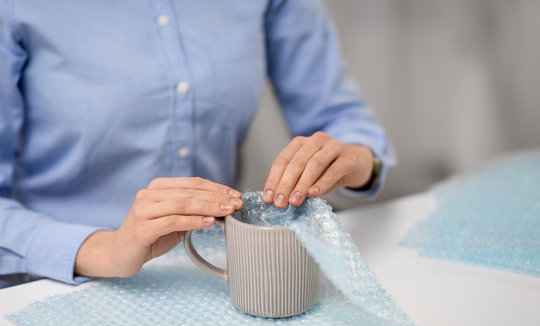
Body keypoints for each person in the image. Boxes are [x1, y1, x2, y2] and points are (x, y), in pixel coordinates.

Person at [0, 0, 394, 285]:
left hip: (216, 279)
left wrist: (357, 160)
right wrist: (103, 249)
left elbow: (341, 119)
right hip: (53, 284)